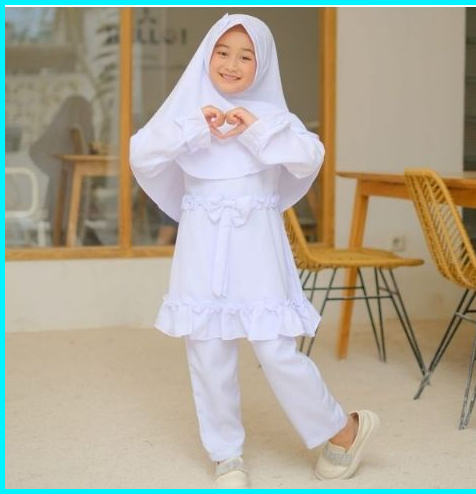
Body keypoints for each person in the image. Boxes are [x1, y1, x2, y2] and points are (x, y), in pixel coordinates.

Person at [130, 13, 379, 489]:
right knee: (208, 351)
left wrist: (257, 130)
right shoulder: (186, 115)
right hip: (203, 250)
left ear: (262, 64)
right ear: (207, 56)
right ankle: (226, 455)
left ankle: (342, 429)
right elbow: (140, 153)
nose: (232, 64)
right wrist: (194, 128)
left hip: (258, 249)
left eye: (246, 56)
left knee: (276, 350)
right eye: (223, 52)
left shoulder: (275, 119)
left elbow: (310, 157)